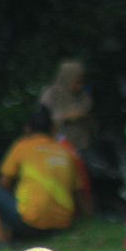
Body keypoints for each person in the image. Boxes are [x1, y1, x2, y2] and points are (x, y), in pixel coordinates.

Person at [0, 106, 89, 247]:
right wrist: (88, 219)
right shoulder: (65, 152)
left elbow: (4, 183)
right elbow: (79, 194)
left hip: (31, 221)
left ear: (27, 129)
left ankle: (1, 240)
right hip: (62, 224)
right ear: (53, 130)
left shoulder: (22, 146)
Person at [39, 59, 93, 210]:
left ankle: (83, 212)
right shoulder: (52, 94)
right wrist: (67, 117)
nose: (79, 86)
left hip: (80, 144)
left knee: (80, 181)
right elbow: (43, 119)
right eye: (76, 82)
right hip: (57, 147)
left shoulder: (84, 96)